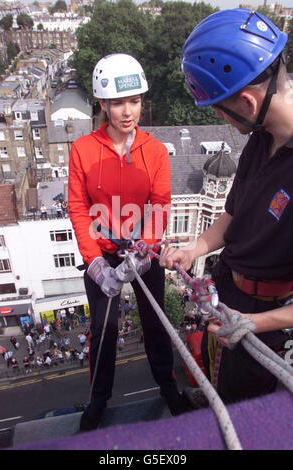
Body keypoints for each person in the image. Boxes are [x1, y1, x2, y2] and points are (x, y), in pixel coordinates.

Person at [160, 8, 293, 405]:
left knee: (249, 407)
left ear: (249, 103)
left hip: (271, 317)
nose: (220, 117)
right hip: (235, 296)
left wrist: (254, 323)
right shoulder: (262, 138)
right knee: (226, 377)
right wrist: (194, 249)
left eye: (219, 107)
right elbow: (233, 215)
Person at [68, 53, 191, 432]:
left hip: (143, 253)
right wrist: (95, 263)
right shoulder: (83, 151)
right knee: (102, 330)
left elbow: (159, 203)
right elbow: (78, 206)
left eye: (134, 101)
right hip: (103, 253)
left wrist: (144, 250)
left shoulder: (155, 151)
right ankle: (99, 399)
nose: (127, 111)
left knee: (155, 322)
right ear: (103, 104)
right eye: (118, 102)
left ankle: (168, 386)